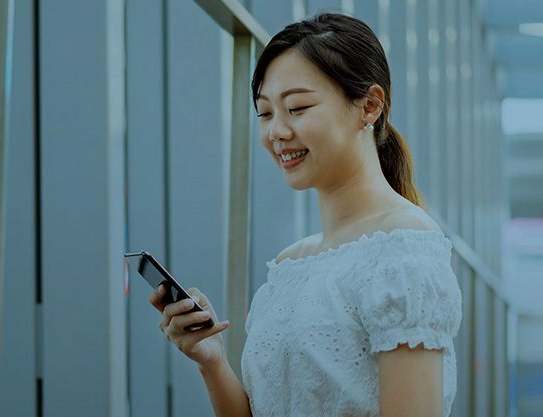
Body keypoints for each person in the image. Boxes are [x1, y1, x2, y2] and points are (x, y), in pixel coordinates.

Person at [149, 13, 462, 417]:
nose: (276, 131)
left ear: (369, 106)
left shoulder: (405, 248)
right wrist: (212, 361)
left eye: (297, 107)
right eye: (264, 113)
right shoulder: (289, 263)